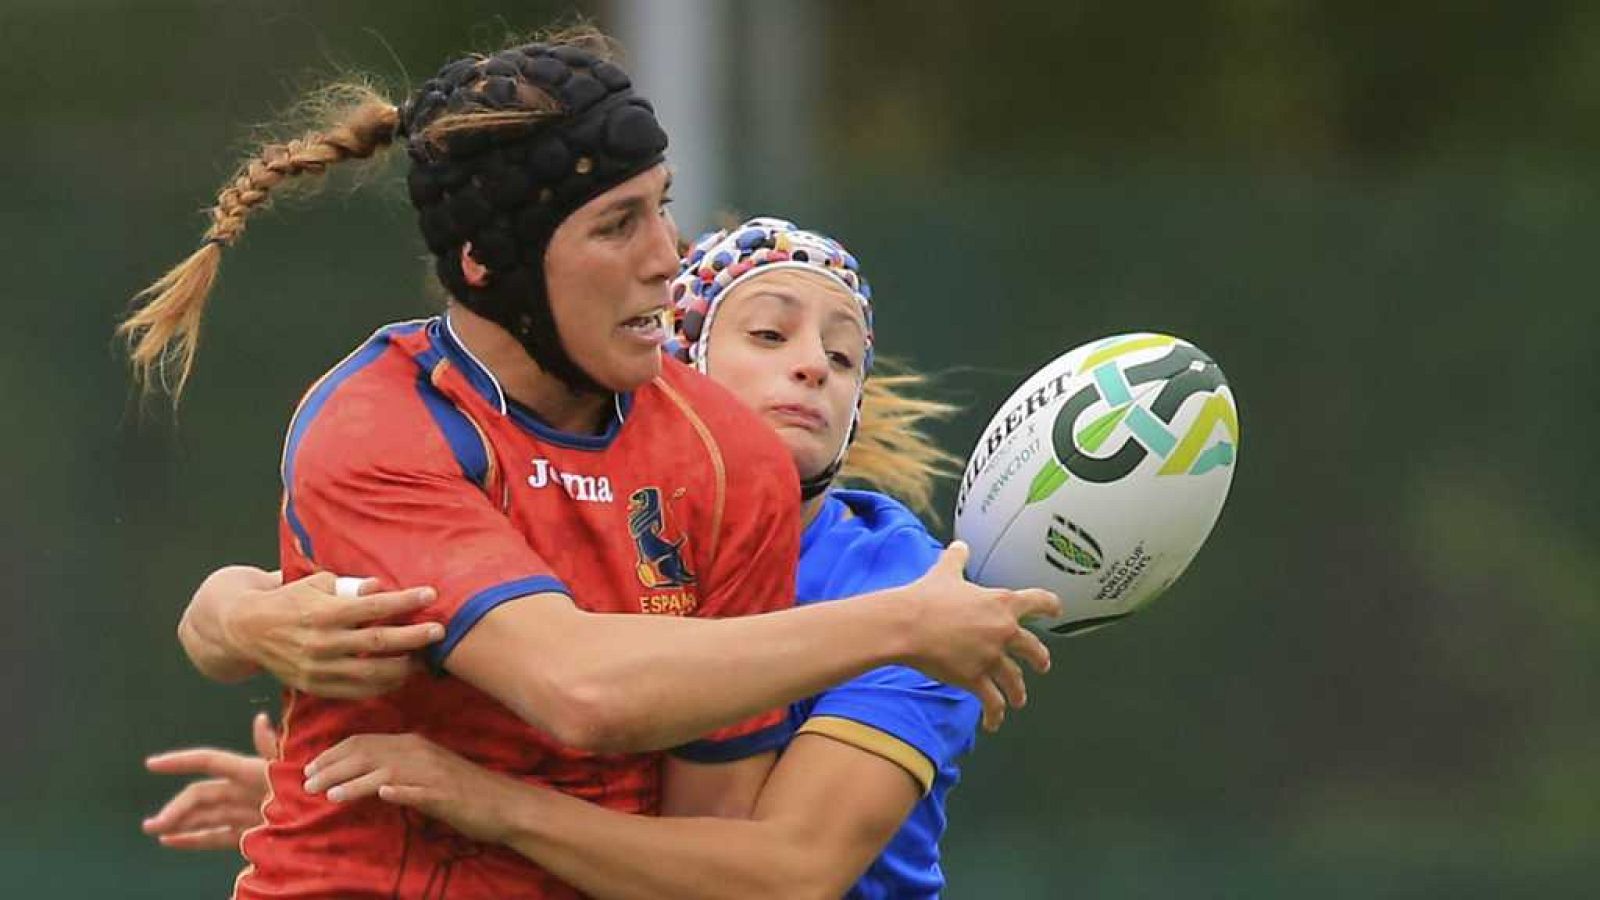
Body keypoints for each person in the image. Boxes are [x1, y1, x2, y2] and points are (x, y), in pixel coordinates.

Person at [124, 29, 1056, 899]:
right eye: (618, 225)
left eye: (664, 207)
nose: (666, 257)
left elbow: (748, 867)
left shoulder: (738, 467)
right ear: (492, 261)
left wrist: (489, 804)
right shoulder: (384, 421)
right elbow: (581, 692)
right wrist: (233, 616)